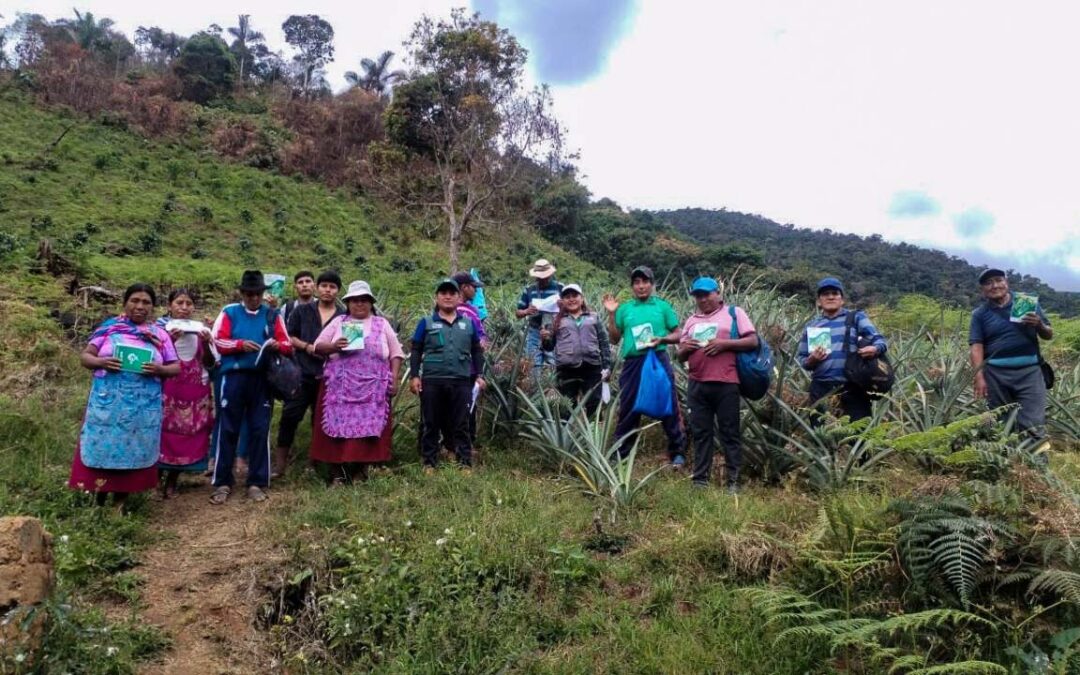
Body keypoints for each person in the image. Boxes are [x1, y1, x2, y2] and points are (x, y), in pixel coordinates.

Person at [68, 284, 180, 511]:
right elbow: (86, 357)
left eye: (146, 302)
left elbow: (175, 366)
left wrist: (159, 369)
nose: (140, 306)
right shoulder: (109, 328)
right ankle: (97, 500)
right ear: (125, 303)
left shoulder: (160, 335)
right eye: (135, 300)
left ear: (152, 307)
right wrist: (101, 362)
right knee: (103, 448)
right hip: (108, 405)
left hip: (142, 407)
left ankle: (120, 504)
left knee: (133, 450)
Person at [209, 270, 292, 504]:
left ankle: (256, 481)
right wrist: (239, 344)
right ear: (242, 293)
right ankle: (222, 481)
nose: (254, 298)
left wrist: (277, 345)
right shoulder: (229, 312)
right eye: (249, 293)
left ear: (262, 293)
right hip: (233, 377)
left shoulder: (273, 315)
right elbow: (216, 340)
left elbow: (287, 343)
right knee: (228, 428)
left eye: (257, 293)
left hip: (262, 379)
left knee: (259, 429)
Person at [311, 281, 405, 483]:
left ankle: (361, 471)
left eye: (364, 300)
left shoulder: (382, 324)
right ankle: (337, 474)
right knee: (337, 428)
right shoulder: (339, 323)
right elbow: (317, 346)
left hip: (372, 391)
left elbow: (396, 353)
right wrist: (334, 346)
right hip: (341, 388)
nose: (359, 304)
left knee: (368, 431)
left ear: (371, 303)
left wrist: (394, 378)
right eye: (355, 300)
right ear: (348, 303)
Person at [676, 277, 759, 491]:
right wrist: (686, 348)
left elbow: (752, 341)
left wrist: (724, 344)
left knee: (729, 431)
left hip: (726, 382)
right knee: (702, 432)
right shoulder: (691, 320)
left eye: (706, 294)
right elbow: (679, 356)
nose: (702, 299)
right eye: (698, 295)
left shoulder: (734, 313)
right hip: (697, 383)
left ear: (717, 294)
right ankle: (700, 479)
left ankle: (734, 481)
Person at [602, 266, 687, 465]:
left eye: (645, 281)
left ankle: (677, 451)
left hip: (658, 358)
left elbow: (679, 333)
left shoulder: (662, 307)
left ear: (652, 284)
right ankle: (621, 452)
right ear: (632, 287)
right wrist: (612, 315)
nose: (641, 286)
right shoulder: (624, 309)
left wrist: (663, 339)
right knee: (629, 405)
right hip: (633, 362)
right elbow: (614, 339)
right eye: (636, 283)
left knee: (668, 402)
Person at [273, 270, 345, 478]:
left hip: (330, 376)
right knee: (290, 416)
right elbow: (290, 336)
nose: (327, 290)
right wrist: (307, 347)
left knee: (321, 420)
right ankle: (280, 465)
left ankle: (313, 463)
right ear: (317, 288)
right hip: (302, 373)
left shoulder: (342, 315)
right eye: (324, 286)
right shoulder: (302, 311)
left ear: (337, 291)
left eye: (332, 287)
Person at [409, 278, 486, 472]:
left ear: (459, 297)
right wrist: (414, 376)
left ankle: (464, 462)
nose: (448, 296)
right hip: (433, 380)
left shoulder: (468, 324)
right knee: (431, 422)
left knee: (461, 423)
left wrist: (479, 375)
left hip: (461, 380)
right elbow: (416, 350)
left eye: (452, 293)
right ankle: (429, 462)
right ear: (437, 297)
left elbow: (477, 351)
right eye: (443, 293)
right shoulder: (425, 323)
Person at [969, 268, 1053, 445]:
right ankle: (1007, 463)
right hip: (995, 375)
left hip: (1030, 372)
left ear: (1006, 282)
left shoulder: (1024, 302)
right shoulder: (979, 314)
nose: (995, 285)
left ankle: (1037, 466)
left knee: (1033, 422)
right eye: (988, 283)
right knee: (1000, 421)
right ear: (982, 290)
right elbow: (976, 345)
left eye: (999, 280)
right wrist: (979, 376)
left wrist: (1039, 324)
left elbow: (1048, 334)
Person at [797, 277, 888, 422]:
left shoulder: (856, 317)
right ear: (819, 301)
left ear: (842, 299)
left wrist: (875, 348)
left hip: (852, 386)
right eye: (825, 294)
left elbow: (879, 339)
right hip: (821, 387)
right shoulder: (813, 326)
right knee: (823, 434)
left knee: (858, 435)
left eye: (835, 293)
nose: (831, 296)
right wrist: (811, 360)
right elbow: (802, 359)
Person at [156, 289, 218, 498]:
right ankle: (155, 478)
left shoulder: (200, 331)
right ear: (169, 306)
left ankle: (173, 480)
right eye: (179, 303)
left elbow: (210, 363)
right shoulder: (160, 329)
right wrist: (169, 341)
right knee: (163, 434)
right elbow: (155, 360)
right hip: (168, 390)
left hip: (194, 391)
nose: (184, 308)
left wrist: (208, 343)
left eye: (189, 303)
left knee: (188, 436)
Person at [540, 283, 612, 417]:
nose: (571, 299)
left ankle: (593, 433)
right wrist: (544, 339)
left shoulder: (593, 317)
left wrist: (607, 366)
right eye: (567, 297)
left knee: (594, 403)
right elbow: (549, 347)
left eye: (575, 295)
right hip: (566, 369)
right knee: (567, 405)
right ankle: (566, 434)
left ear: (582, 298)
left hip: (592, 367)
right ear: (562, 301)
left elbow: (604, 343)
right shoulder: (556, 321)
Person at [452, 271, 489, 446]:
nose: (475, 291)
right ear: (464, 288)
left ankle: (464, 444)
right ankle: (462, 443)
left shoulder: (472, 310)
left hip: (467, 367)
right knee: (466, 406)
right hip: (463, 368)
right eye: (473, 287)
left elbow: (480, 338)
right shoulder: (454, 311)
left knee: (466, 406)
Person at [515, 259, 563, 381]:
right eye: (540, 277)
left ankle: (553, 394)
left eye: (546, 277)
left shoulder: (560, 287)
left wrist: (563, 306)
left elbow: (573, 308)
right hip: (534, 331)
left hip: (555, 331)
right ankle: (534, 391)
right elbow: (518, 312)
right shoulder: (529, 289)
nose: (543, 279)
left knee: (554, 364)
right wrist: (526, 311)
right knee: (533, 365)